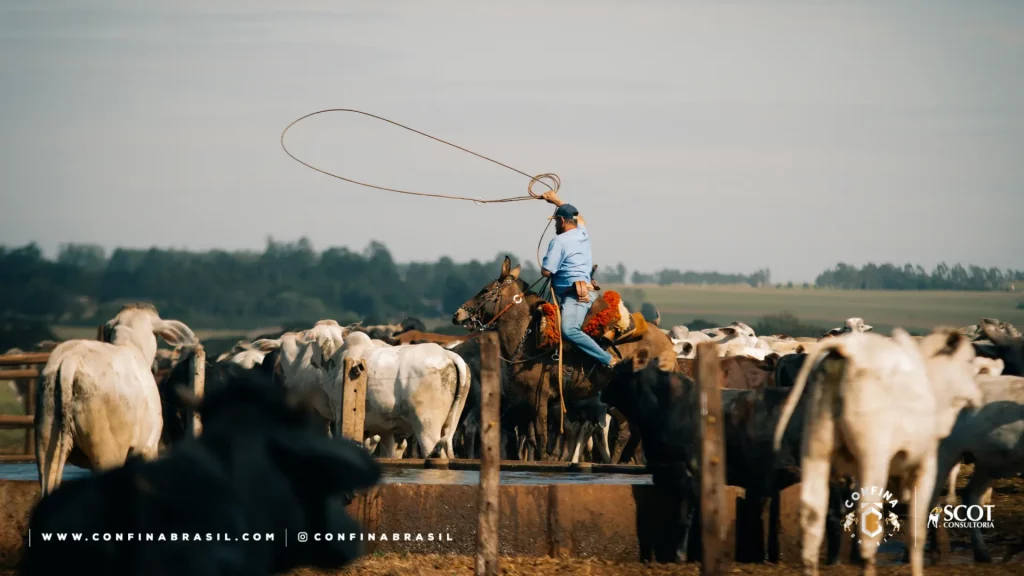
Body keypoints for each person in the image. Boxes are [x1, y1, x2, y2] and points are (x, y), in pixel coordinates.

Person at [539, 190, 617, 369]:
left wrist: (546, 264)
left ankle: (609, 361)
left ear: (562, 221)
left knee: (569, 330)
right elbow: (581, 219)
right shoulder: (582, 233)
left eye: (556, 221)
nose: (555, 225)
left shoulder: (559, 241)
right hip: (587, 291)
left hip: (576, 296)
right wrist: (557, 201)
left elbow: (546, 271)